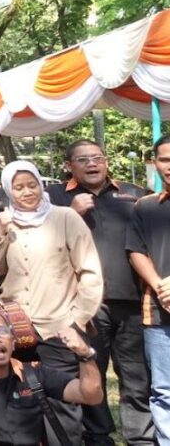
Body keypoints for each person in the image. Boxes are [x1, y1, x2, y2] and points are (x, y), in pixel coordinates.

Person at [48, 139, 154, 445]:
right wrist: (70, 212)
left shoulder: (133, 194)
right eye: (83, 159)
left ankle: (141, 437)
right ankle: (97, 437)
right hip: (83, 305)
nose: (92, 164)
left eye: (98, 158)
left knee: (136, 376)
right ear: (69, 166)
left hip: (132, 301)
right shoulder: (54, 197)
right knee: (90, 369)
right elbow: (40, 240)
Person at [0, 160, 104, 446]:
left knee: (63, 405)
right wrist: (1, 233)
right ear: (8, 191)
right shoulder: (2, 221)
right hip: (15, 328)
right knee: (19, 401)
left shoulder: (65, 217)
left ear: (41, 185)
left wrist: (77, 320)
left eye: (32, 185)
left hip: (59, 327)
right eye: (18, 188)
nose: (27, 192)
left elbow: (90, 272)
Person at [0, 307, 103, 446]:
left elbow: (91, 396)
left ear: (13, 342)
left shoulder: (33, 372)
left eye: (2, 331)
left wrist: (85, 354)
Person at [126, 135, 170, 443]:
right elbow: (135, 250)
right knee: (165, 389)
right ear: (155, 163)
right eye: (165, 159)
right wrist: (159, 286)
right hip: (159, 313)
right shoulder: (145, 207)